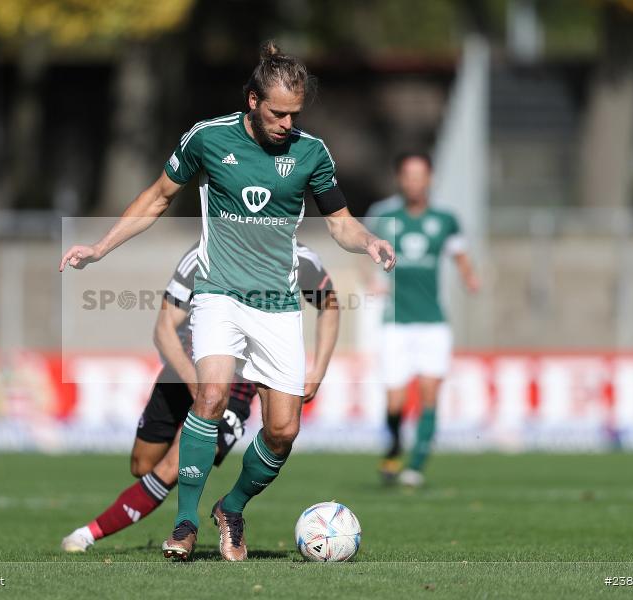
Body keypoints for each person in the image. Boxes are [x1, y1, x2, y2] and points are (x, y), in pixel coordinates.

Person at [60, 40, 395, 562]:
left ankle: (231, 507)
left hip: (279, 304)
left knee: (282, 431)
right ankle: (186, 523)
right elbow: (156, 197)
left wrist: (369, 241)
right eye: (278, 112)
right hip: (219, 294)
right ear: (253, 101)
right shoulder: (208, 139)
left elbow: (341, 224)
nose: (287, 123)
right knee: (210, 396)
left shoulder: (312, 153)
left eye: (295, 114)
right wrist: (100, 247)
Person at [61, 242, 338, 553]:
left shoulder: (297, 258)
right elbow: (164, 328)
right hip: (183, 368)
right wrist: (195, 382)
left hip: (236, 385)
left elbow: (329, 304)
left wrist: (319, 368)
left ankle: (91, 534)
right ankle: (174, 489)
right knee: (143, 465)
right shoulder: (204, 253)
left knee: (170, 468)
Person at [363, 151, 480, 488]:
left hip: (433, 322)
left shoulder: (445, 218)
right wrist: (370, 278)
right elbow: (361, 251)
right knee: (395, 400)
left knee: (430, 393)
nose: (414, 182)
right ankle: (396, 443)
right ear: (400, 178)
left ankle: (415, 466)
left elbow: (460, 255)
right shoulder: (382, 215)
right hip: (395, 322)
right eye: (408, 175)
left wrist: (470, 277)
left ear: (429, 179)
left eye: (420, 175)